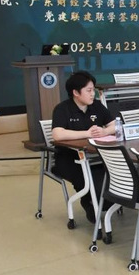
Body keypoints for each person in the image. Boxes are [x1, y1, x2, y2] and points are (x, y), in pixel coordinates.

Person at [51, 71, 115, 223]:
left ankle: (101, 201)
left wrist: (104, 131)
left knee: (106, 175)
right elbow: (57, 134)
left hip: (95, 157)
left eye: (93, 90)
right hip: (68, 158)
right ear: (76, 92)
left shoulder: (96, 106)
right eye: (89, 90)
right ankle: (88, 202)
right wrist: (87, 133)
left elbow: (115, 125)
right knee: (84, 178)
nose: (93, 94)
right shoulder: (62, 109)